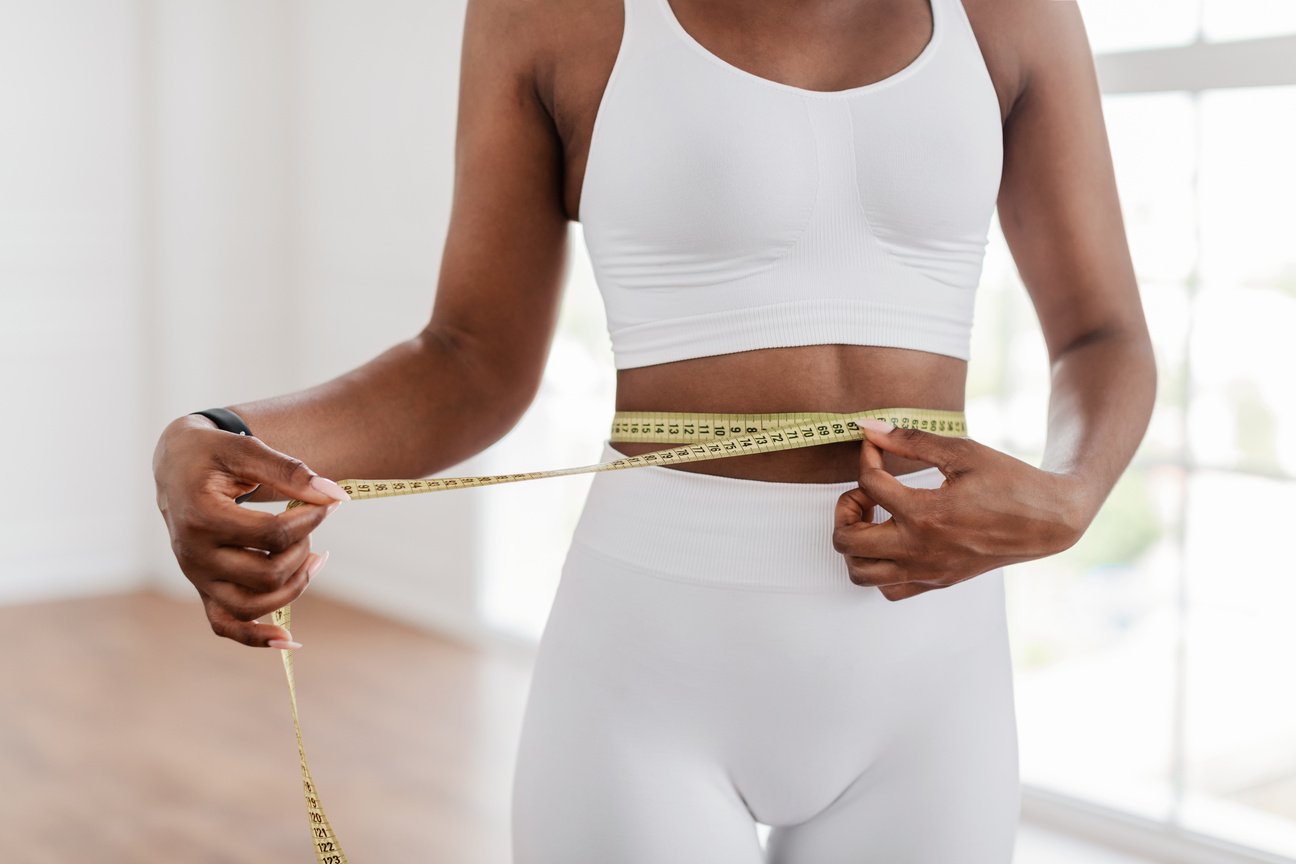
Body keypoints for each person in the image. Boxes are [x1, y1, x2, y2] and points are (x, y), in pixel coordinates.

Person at [152, 0, 1156, 860]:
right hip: (652, 668)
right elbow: (470, 364)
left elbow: (1103, 333)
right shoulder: (555, 15)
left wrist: (1072, 495)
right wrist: (223, 434)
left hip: (933, 669)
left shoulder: (1010, 14)